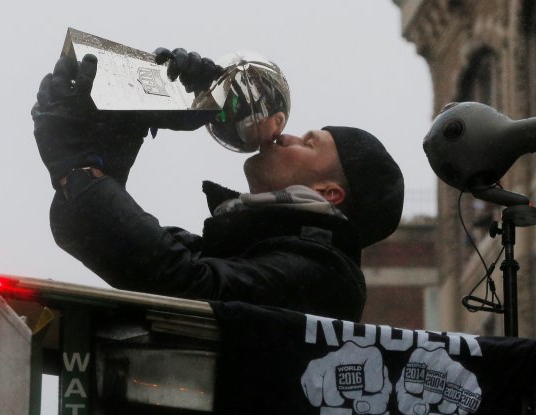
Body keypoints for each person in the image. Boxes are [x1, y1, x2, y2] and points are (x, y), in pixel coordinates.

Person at [32, 50, 404, 322]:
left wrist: (78, 170)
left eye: (309, 144)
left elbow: (184, 285)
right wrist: (119, 135)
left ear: (329, 193)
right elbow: (107, 242)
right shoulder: (254, 246)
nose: (285, 136)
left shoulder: (327, 274)